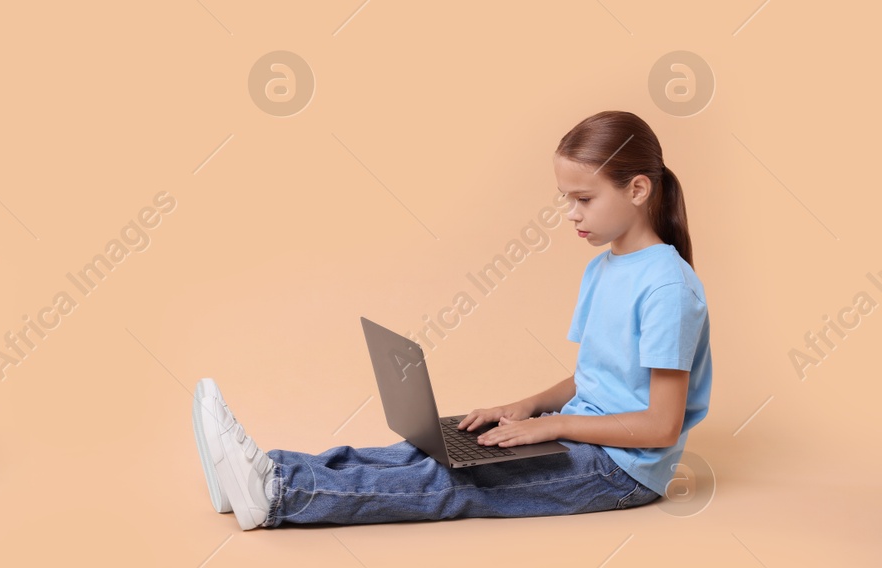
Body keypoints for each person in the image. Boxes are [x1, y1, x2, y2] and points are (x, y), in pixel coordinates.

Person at [194, 111, 711, 529]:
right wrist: (525, 406)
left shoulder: (667, 287)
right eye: (565, 200)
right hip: (583, 436)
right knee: (426, 453)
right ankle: (267, 468)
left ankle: (277, 493)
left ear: (638, 190)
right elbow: (598, 375)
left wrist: (551, 425)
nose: (571, 214)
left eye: (584, 199)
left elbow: (659, 424)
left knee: (455, 484)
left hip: (620, 470)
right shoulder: (604, 268)